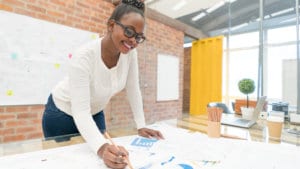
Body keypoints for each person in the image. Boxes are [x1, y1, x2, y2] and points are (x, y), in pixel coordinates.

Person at [42, 0, 164, 168]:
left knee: (102, 161)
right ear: (111, 25)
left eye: (139, 37)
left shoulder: (129, 54)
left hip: (94, 113)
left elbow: (133, 89)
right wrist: (102, 148)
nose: (133, 41)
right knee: (65, 163)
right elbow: (81, 112)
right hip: (61, 114)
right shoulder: (83, 57)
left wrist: (141, 125)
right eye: (129, 31)